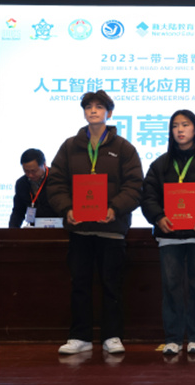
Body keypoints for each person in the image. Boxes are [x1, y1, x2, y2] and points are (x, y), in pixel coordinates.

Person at [47, 90, 143, 355]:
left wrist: (114, 208)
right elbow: (55, 183)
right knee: (79, 284)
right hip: (80, 229)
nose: (93, 110)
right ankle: (80, 336)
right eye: (88, 106)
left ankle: (112, 335)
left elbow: (135, 186)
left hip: (111, 230)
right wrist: (67, 209)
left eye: (99, 107)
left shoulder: (124, 148)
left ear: (108, 113)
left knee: (112, 285)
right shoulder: (70, 146)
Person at [142, 110, 195, 355]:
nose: (180, 130)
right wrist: (158, 217)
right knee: (171, 286)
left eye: (185, 125)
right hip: (169, 236)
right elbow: (148, 196)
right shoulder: (160, 163)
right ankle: (173, 337)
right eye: (175, 126)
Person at [9, 148, 57, 228]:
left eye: (33, 171)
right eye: (26, 171)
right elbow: (18, 211)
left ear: (44, 164)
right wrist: (12, 230)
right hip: (34, 229)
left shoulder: (57, 179)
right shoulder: (21, 183)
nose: (30, 175)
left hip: (58, 226)